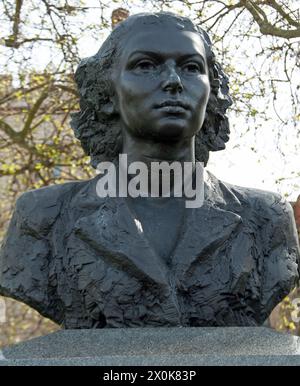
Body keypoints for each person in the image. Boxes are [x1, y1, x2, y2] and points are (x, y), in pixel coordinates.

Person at [0, 12, 299, 328]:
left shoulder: (267, 217)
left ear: (211, 91)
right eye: (145, 65)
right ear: (107, 94)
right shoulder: (42, 218)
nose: (173, 81)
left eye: (191, 67)